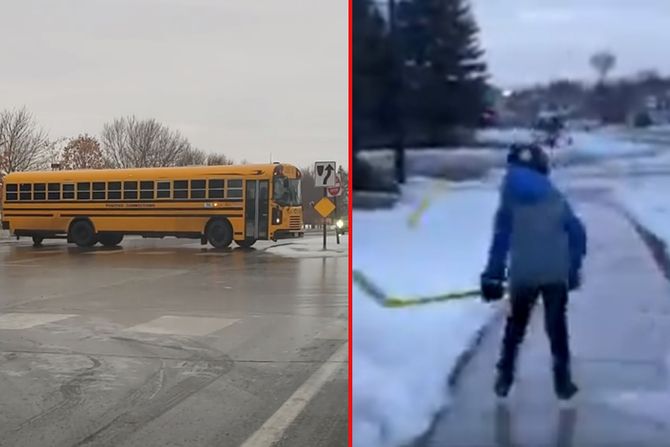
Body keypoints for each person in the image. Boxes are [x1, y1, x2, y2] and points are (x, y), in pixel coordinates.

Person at [480, 143, 587, 400]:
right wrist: (572, 268)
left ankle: (504, 376)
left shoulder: (509, 197)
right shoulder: (555, 196)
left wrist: (493, 276)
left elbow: (501, 240)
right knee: (557, 327)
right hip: (555, 272)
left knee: (515, 326)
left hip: (523, 274)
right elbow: (577, 234)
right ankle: (563, 382)